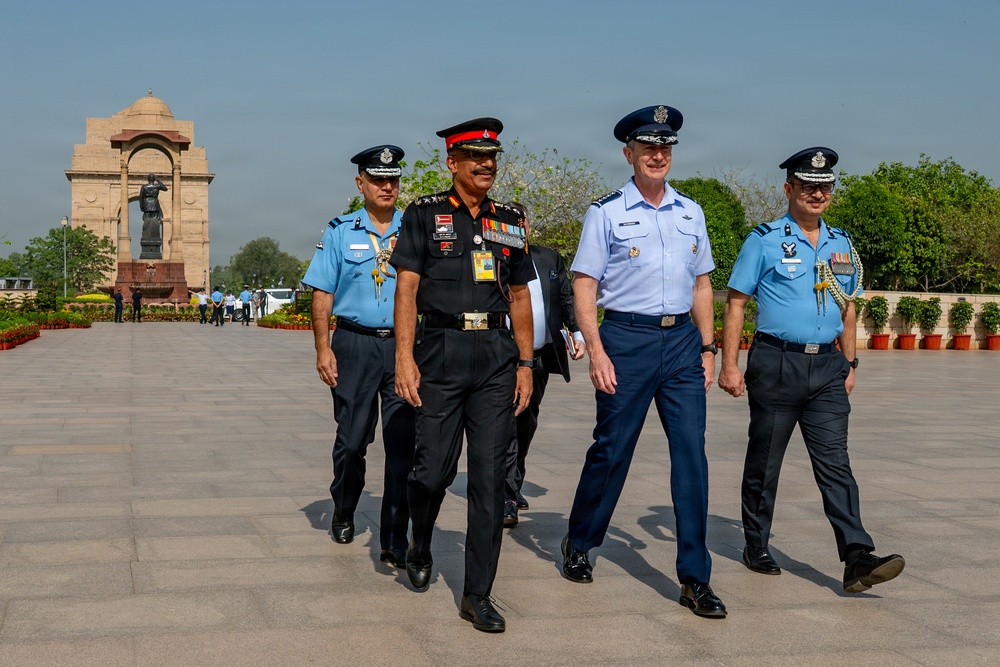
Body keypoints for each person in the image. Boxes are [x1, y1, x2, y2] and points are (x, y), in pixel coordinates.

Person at [562, 105, 725, 619]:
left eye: (665, 147)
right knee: (612, 450)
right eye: (648, 147)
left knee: (692, 458)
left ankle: (696, 577)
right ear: (628, 153)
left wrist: (707, 348)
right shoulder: (606, 212)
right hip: (625, 340)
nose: (658, 155)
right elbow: (585, 284)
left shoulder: (690, 212)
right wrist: (597, 350)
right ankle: (580, 542)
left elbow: (703, 285)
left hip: (681, 344)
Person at [718, 147, 905, 594]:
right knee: (766, 460)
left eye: (825, 187)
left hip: (827, 368)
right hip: (777, 362)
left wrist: (850, 362)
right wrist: (729, 364)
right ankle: (756, 543)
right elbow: (737, 303)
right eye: (808, 186)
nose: (817, 194)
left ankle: (857, 555)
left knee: (836, 463)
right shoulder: (764, 239)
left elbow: (848, 307)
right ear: (789, 189)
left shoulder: (841, 243)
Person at [390, 118, 535, 633]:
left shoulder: (510, 219)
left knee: (490, 480)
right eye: (475, 157)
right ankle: (420, 541)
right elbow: (406, 289)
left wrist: (525, 363)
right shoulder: (424, 214)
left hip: (495, 357)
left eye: (491, 157)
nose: (486, 165)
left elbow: (520, 296)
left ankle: (478, 594)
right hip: (440, 353)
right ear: (453, 163)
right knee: (431, 472)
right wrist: (404, 358)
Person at [303, 144, 415, 568]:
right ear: (360, 183)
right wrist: (323, 347)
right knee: (352, 442)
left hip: (404, 346)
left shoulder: (415, 228)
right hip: (354, 344)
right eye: (378, 179)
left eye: (393, 180)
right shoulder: (339, 230)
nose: (387, 187)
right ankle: (345, 507)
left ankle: (394, 536)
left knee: (403, 445)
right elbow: (322, 293)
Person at [502, 202, 585, 528]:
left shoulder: (548, 258)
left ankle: (514, 478)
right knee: (509, 425)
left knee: (527, 424)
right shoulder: (496, 260)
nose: (519, 227)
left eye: (521, 222)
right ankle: (507, 495)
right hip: (506, 360)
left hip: (539, 356)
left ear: (528, 225)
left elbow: (565, 297)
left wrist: (576, 332)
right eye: (511, 222)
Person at [139, 174, 167, 258]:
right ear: (153, 179)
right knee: (155, 220)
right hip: (154, 203)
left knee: (147, 220)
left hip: (147, 203)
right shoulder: (157, 186)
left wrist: (141, 206)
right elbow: (165, 188)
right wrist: (158, 181)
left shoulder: (144, 187)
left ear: (148, 179)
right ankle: (154, 235)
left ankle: (147, 235)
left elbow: (141, 197)